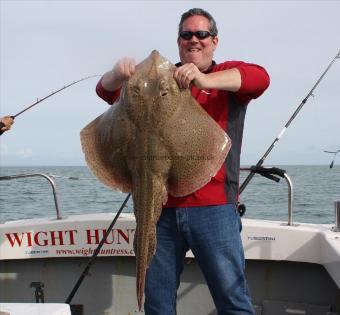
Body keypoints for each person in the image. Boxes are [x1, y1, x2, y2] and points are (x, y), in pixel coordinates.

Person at [96, 8, 270, 315]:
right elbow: (105, 92)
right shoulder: (157, 80)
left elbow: (259, 78)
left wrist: (205, 78)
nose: (194, 40)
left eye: (201, 34)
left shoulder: (226, 75)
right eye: (186, 35)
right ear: (178, 42)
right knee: (158, 304)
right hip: (158, 209)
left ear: (214, 41)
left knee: (232, 300)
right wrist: (117, 73)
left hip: (214, 209)